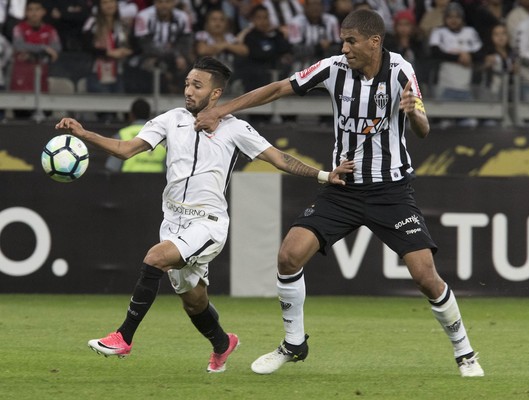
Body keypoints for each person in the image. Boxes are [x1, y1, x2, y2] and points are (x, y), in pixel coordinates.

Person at [194, 9, 485, 378]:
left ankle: (465, 353)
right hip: (342, 187)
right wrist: (222, 111)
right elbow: (279, 88)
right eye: (343, 41)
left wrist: (413, 113)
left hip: (391, 191)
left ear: (374, 42)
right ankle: (293, 343)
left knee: (425, 276)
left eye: (351, 41)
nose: (344, 48)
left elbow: (423, 128)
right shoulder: (333, 68)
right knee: (289, 256)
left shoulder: (401, 71)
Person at [54, 56, 353, 373]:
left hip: (208, 224)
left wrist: (324, 175)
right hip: (172, 223)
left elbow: (279, 158)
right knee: (194, 301)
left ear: (216, 93)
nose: (188, 90)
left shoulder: (235, 128)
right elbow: (125, 149)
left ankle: (123, 337)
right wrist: (84, 134)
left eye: (197, 85)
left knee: (155, 259)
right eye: (187, 84)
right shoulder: (170, 120)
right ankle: (223, 344)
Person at [104, 98, 167, 172]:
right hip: (158, 179)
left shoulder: (122, 135)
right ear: (149, 115)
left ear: (131, 115)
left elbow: (112, 167)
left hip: (128, 179)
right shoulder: (160, 135)